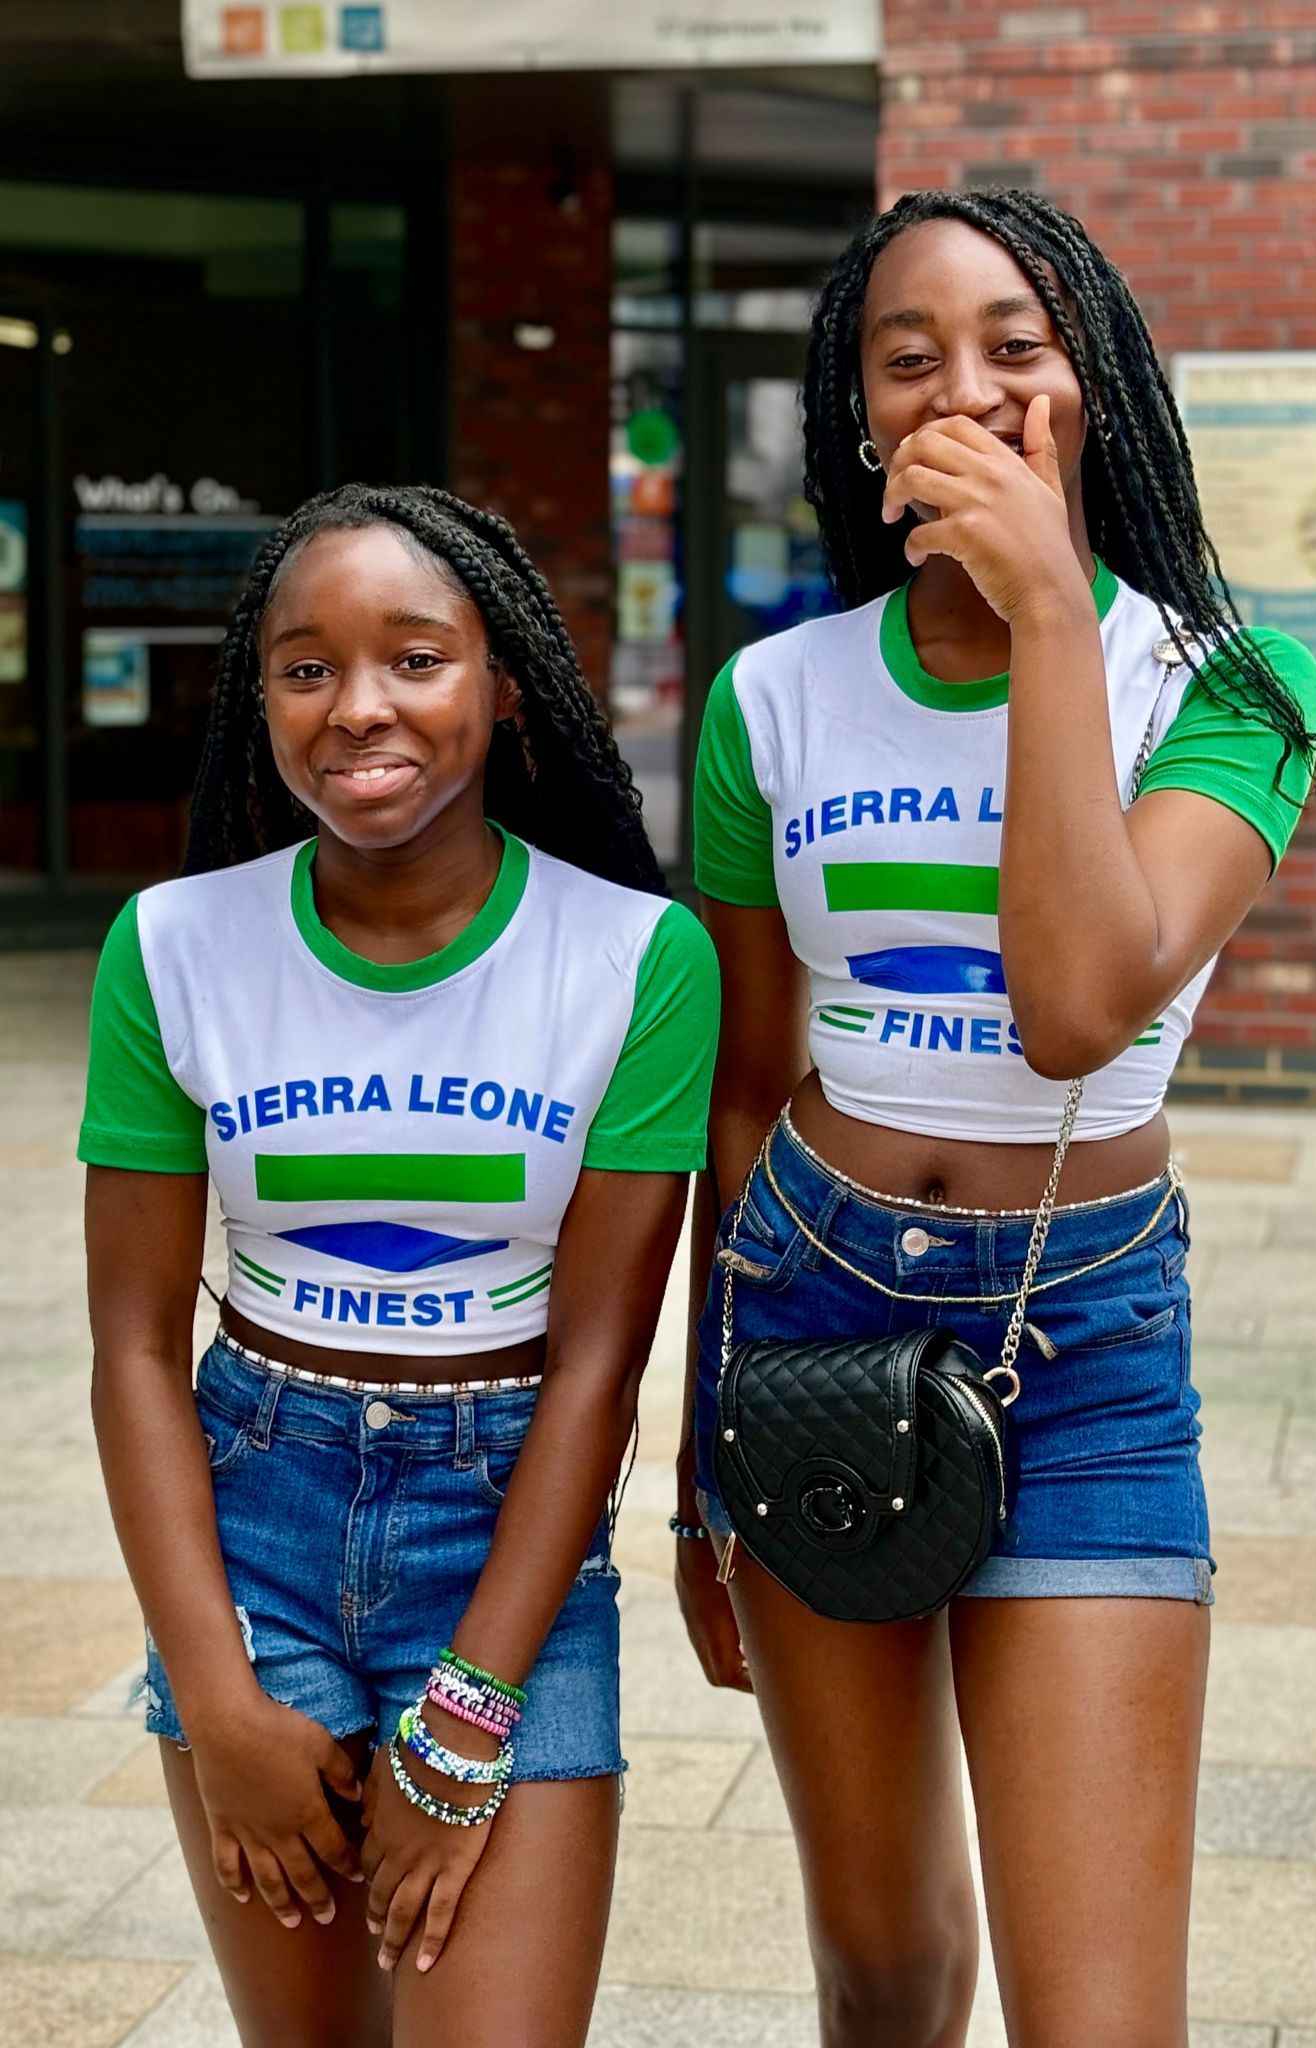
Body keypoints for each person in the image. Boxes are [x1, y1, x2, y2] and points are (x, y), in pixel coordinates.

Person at [676, 189, 1316, 2048]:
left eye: (1013, 346)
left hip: (1086, 1340)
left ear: (1093, 387)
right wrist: (691, 1466)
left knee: (1100, 2020)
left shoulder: (1234, 687)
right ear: (858, 422)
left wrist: (1050, 600)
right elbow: (734, 1103)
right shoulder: (769, 701)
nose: (961, 388)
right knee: (882, 1977)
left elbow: (1075, 1006)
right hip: (805, 1308)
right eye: (907, 359)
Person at [81, 483, 718, 2048]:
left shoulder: (637, 959)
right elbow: (137, 1352)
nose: (357, 705)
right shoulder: (170, 947)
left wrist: (473, 1713)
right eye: (305, 669)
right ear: (264, 701)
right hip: (256, 1526)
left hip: (503, 1535)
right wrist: (214, 1694)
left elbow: (595, 1370)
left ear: (503, 690)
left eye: (415, 659)